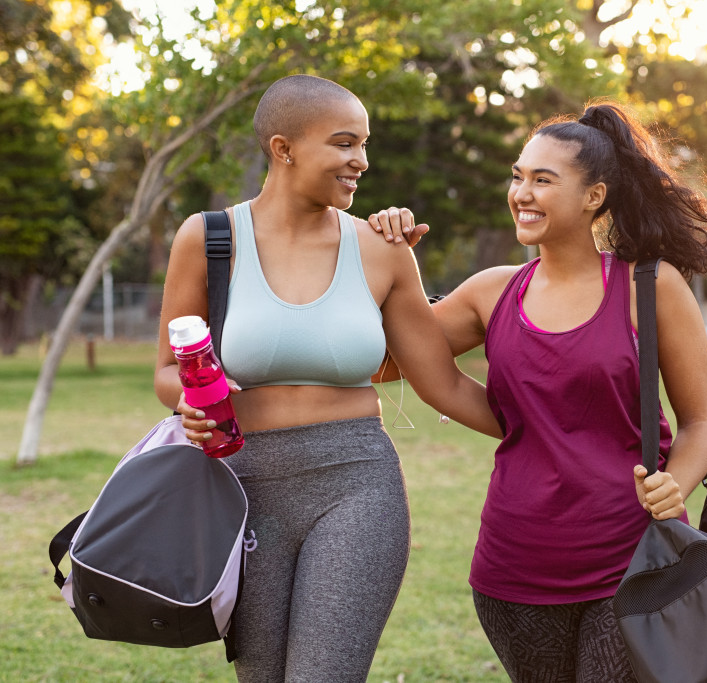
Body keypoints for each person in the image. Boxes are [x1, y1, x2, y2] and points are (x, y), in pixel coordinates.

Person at [153, 74, 501, 682]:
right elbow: (166, 370)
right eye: (344, 144)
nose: (360, 161)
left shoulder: (382, 247)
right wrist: (191, 402)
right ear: (283, 148)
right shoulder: (209, 239)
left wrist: (553, 431)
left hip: (357, 485)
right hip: (243, 488)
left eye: (364, 145)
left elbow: (440, 382)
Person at [371, 100, 707, 681]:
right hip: (514, 567)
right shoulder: (491, 293)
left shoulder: (651, 285)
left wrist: (676, 483)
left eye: (544, 180)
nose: (522, 192)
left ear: (593, 196)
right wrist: (387, 263)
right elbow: (383, 363)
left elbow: (700, 423)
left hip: (633, 559)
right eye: (518, 176)